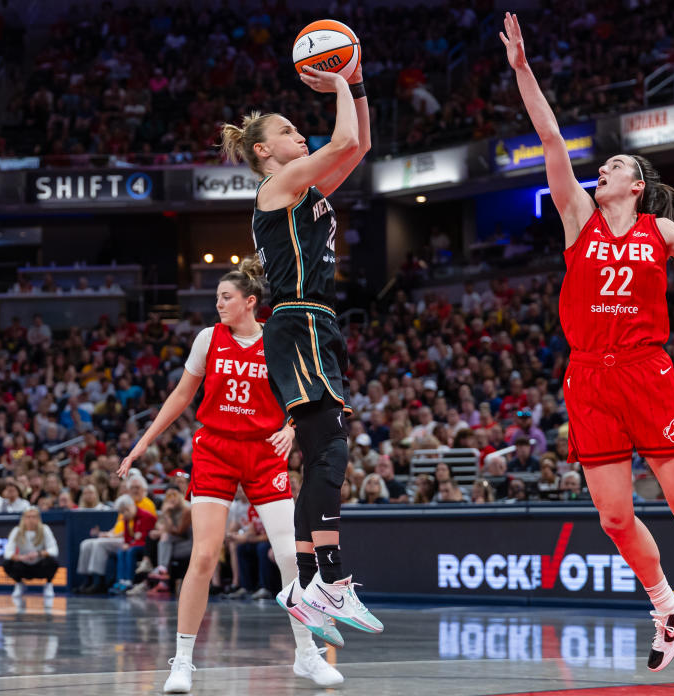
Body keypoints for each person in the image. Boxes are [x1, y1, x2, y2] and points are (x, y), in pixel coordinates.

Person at [501, 12, 674, 680]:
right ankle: (668, 604)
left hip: (646, 370)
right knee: (614, 519)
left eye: (612, 166)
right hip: (588, 377)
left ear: (635, 184)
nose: (600, 171)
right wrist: (523, 70)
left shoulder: (661, 231)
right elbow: (550, 138)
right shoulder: (578, 221)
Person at [118, 263, 342, 692]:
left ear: (249, 302)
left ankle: (307, 655)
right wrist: (142, 443)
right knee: (203, 556)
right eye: (218, 297)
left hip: (263, 453)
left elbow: (307, 397)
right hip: (216, 451)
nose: (218, 303)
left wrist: (291, 428)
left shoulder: (278, 340)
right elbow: (182, 394)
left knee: (292, 556)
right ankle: (181, 661)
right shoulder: (209, 339)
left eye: (225, 297)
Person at [219, 55, 382, 642]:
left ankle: (310, 586)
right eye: (287, 130)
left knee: (320, 457)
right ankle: (329, 582)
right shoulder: (279, 184)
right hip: (300, 319)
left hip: (313, 324)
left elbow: (357, 145)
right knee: (332, 453)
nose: (298, 134)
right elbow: (341, 136)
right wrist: (337, 79)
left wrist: (356, 84)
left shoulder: (303, 186)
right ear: (264, 151)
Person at [2, 507, 58, 599]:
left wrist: (38, 553)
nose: (31, 520)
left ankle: (48, 585)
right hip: (23, 565)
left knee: (52, 562)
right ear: (23, 518)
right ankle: (19, 584)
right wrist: (21, 557)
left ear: (38, 519)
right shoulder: (17, 530)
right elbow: (7, 553)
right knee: (7, 563)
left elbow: (54, 550)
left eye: (34, 517)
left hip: (39, 566)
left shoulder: (45, 529)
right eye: (28, 517)